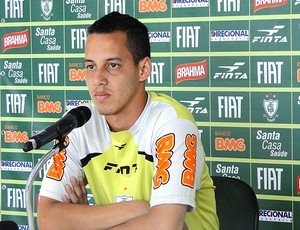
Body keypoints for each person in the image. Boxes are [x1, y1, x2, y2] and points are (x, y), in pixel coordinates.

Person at [37, 11, 219, 230]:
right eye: (90, 66)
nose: (98, 80)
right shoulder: (81, 123)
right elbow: (47, 218)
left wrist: (84, 222)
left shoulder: (172, 123)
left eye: (112, 65)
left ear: (143, 69)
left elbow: (165, 226)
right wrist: (139, 208)